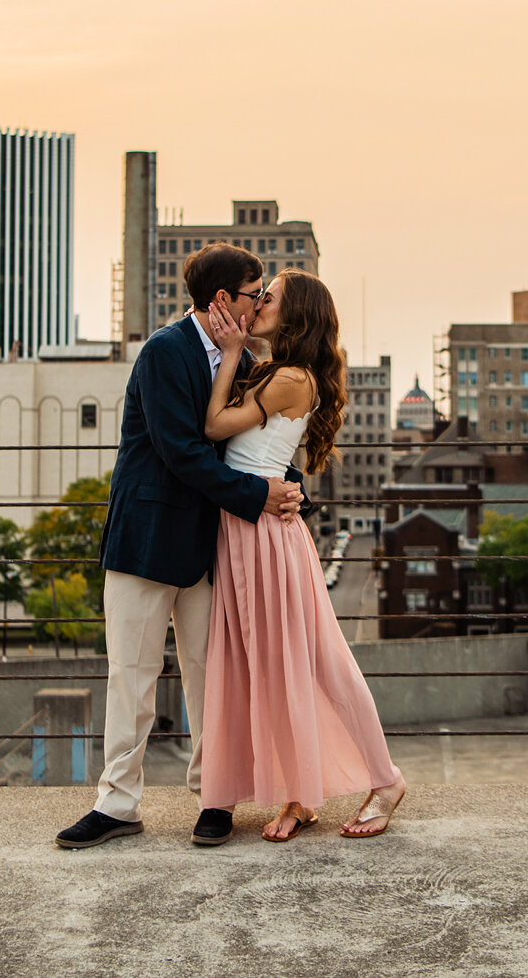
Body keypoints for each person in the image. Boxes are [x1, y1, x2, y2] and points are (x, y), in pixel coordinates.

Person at [54, 244, 307, 850]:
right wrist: (259, 496)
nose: (260, 303)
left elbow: (250, 446)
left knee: (209, 677)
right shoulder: (165, 352)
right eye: (254, 294)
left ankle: (213, 796)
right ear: (224, 300)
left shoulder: (242, 359)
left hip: (208, 544)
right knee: (132, 676)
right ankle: (117, 804)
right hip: (146, 539)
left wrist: (288, 489)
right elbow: (185, 453)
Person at [198, 270, 408, 841]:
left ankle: (385, 780)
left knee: (317, 662)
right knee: (271, 670)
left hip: (267, 536)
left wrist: (230, 352)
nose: (258, 305)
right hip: (246, 529)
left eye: (269, 300)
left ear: (296, 317)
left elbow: (215, 424)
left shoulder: (291, 377)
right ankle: (299, 793)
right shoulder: (276, 373)